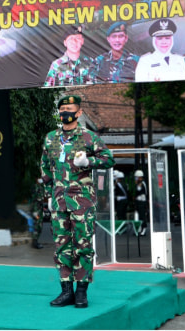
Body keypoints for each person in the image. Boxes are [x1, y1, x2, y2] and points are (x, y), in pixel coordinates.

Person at [40, 94, 115, 308]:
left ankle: (81, 291)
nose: (65, 112)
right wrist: (48, 195)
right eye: (62, 109)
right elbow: (45, 168)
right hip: (59, 201)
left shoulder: (89, 137)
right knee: (62, 246)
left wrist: (88, 161)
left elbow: (109, 159)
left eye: (69, 108)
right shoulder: (51, 138)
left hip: (82, 202)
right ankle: (66, 291)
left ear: (79, 112)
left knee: (82, 245)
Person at [30, 178, 48, 249]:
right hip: (36, 209)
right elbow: (35, 198)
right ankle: (34, 242)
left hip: (39, 208)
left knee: (39, 225)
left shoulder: (40, 187)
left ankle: (35, 241)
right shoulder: (36, 187)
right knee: (37, 225)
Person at [133, 170, 148, 236]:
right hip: (138, 202)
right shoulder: (138, 184)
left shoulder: (143, 184)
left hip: (142, 202)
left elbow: (140, 192)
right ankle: (138, 229)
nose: (136, 179)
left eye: (137, 177)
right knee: (138, 216)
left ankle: (143, 229)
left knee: (142, 216)